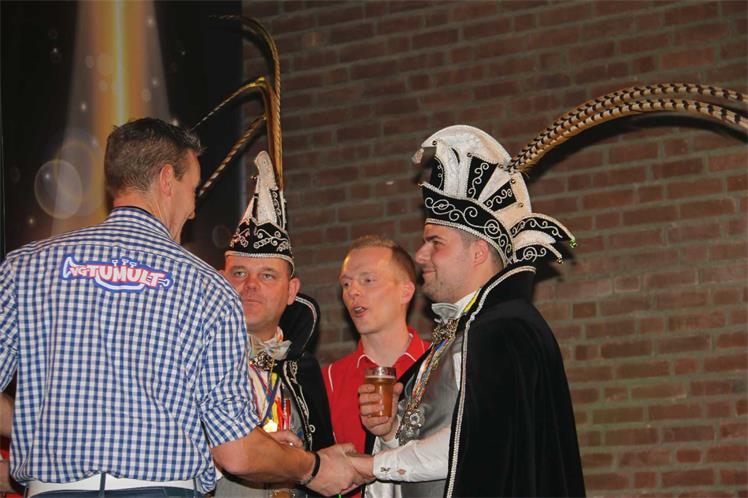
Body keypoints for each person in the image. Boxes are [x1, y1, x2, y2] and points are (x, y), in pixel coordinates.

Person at [0, 118, 361, 497]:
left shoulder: (26, 268)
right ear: (166, 180)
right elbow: (237, 452)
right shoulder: (207, 287)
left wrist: (33, 424)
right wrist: (312, 467)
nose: (193, 210)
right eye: (193, 189)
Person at [354, 125, 586, 497]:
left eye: (435, 242)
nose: (420, 255)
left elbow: (477, 442)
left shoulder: (505, 331)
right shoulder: (463, 332)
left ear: (478, 252)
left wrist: (367, 466)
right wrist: (391, 431)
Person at [214, 146, 335, 497]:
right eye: (239, 273)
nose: (250, 285)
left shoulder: (305, 371)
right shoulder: (197, 361)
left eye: (267, 275)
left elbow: (324, 468)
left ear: (291, 290)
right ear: (221, 280)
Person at [323, 236, 429, 496]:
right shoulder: (329, 379)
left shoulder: (439, 363)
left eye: (367, 280)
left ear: (406, 291)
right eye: (346, 284)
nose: (352, 292)